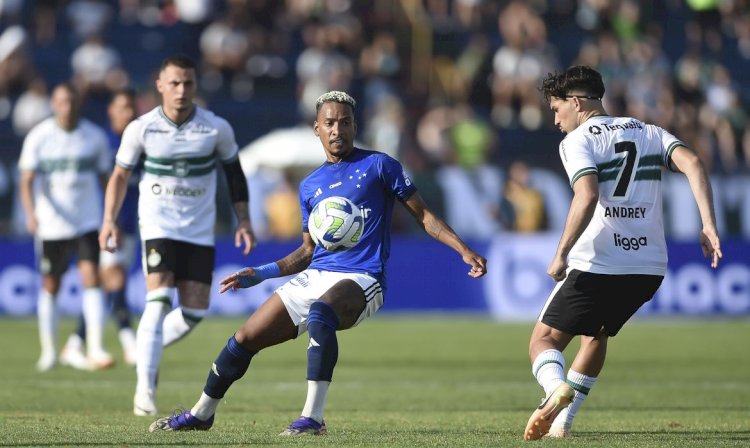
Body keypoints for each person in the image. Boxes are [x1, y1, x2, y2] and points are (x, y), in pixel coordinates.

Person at [147, 91, 487, 435]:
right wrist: (261, 273)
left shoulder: (380, 165)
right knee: (244, 337)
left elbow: (425, 215)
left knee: (322, 313)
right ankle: (201, 414)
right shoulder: (310, 185)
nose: (337, 129)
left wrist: (462, 249)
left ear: (355, 126)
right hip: (317, 274)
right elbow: (307, 251)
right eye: (329, 123)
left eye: (344, 122)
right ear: (317, 129)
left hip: (363, 277)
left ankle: (313, 418)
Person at [523, 66, 722, 440]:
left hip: (599, 260)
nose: (555, 119)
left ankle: (553, 391)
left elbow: (587, 195)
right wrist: (709, 224)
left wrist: (561, 252)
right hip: (648, 266)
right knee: (596, 335)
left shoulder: (578, 140)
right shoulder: (648, 131)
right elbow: (693, 163)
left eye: (555, 108)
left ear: (576, 102)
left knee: (543, 340)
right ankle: (563, 423)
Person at [98, 55, 256, 416]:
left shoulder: (215, 128)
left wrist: (243, 220)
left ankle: (144, 346)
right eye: (174, 83)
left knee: (194, 312)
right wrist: (108, 220)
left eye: (187, 83)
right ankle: (145, 391)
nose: (181, 90)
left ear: (195, 85)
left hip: (199, 231)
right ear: (159, 85)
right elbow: (120, 177)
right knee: (158, 300)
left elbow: (235, 174)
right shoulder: (141, 128)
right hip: (158, 225)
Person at [18, 82, 113, 372]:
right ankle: (49, 352)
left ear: (78, 104)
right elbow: (26, 179)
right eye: (62, 102)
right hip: (52, 224)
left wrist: (110, 217)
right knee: (51, 284)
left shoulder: (93, 137)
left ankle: (95, 347)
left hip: (87, 220)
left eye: (72, 101)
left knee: (91, 278)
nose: (67, 107)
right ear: (53, 104)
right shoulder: (40, 136)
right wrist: (31, 214)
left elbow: (105, 179)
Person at [60, 89, 139, 370]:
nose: (128, 113)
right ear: (111, 111)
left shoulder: (141, 141)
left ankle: (75, 343)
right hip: (106, 225)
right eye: (122, 108)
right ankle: (129, 342)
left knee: (109, 285)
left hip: (131, 225)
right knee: (114, 278)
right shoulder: (102, 143)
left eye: (131, 108)